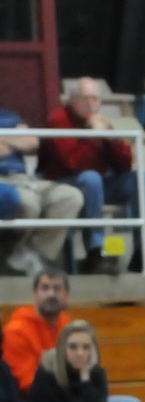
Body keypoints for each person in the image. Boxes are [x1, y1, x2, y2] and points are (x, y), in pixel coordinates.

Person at [1, 269, 143, 402]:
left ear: (67, 295)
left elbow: (90, 373)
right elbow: (27, 385)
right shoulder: (17, 330)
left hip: (75, 396)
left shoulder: (71, 327)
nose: (51, 293)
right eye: (45, 288)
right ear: (35, 293)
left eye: (57, 288)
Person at [39, 77, 145, 274]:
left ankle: (143, 253)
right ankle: (95, 252)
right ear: (72, 100)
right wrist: (92, 135)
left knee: (142, 179)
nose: (92, 103)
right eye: (86, 98)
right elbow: (72, 163)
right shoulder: (58, 120)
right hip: (64, 183)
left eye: (96, 99)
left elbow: (124, 165)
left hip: (97, 184)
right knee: (91, 178)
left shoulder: (100, 122)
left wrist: (109, 139)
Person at [0, 106, 83, 277]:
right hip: (3, 182)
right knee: (28, 203)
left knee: (71, 197)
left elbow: (32, 141)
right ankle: (12, 254)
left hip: (26, 177)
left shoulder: (9, 115)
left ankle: (33, 255)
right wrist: (14, 139)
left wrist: (4, 140)